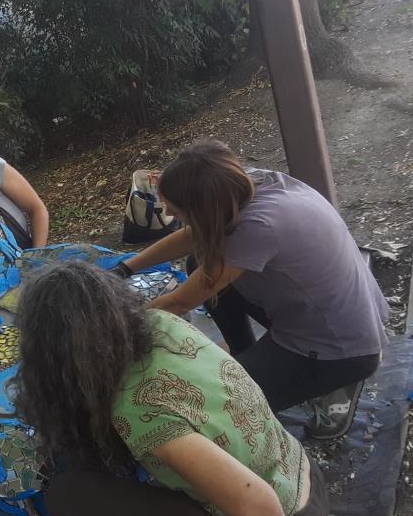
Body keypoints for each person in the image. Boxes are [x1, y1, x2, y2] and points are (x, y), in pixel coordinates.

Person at [17, 262, 329, 516]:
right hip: (306, 480)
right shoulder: (160, 323)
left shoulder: (136, 409)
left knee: (67, 495)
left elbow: (260, 505)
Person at [113, 139, 387, 437]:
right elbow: (192, 237)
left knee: (218, 405)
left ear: (203, 207)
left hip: (340, 348)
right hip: (329, 313)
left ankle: (334, 383)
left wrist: (115, 328)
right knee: (197, 262)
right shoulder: (244, 183)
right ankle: (246, 354)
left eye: (176, 210)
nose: (168, 212)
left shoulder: (258, 227)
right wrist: (124, 268)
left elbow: (179, 303)